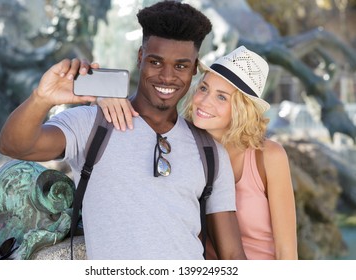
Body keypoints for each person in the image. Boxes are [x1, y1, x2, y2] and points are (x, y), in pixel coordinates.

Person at [0, 1, 246, 260]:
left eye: (181, 66)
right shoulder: (93, 125)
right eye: (156, 62)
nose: (167, 76)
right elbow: (13, 145)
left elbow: (231, 254)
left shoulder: (210, 152)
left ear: (195, 69)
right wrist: (42, 98)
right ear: (140, 57)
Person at [99, 46, 298, 260]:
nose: (204, 101)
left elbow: (287, 251)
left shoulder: (268, 156)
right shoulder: (179, 143)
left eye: (221, 97)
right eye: (204, 88)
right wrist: (104, 98)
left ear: (241, 109)